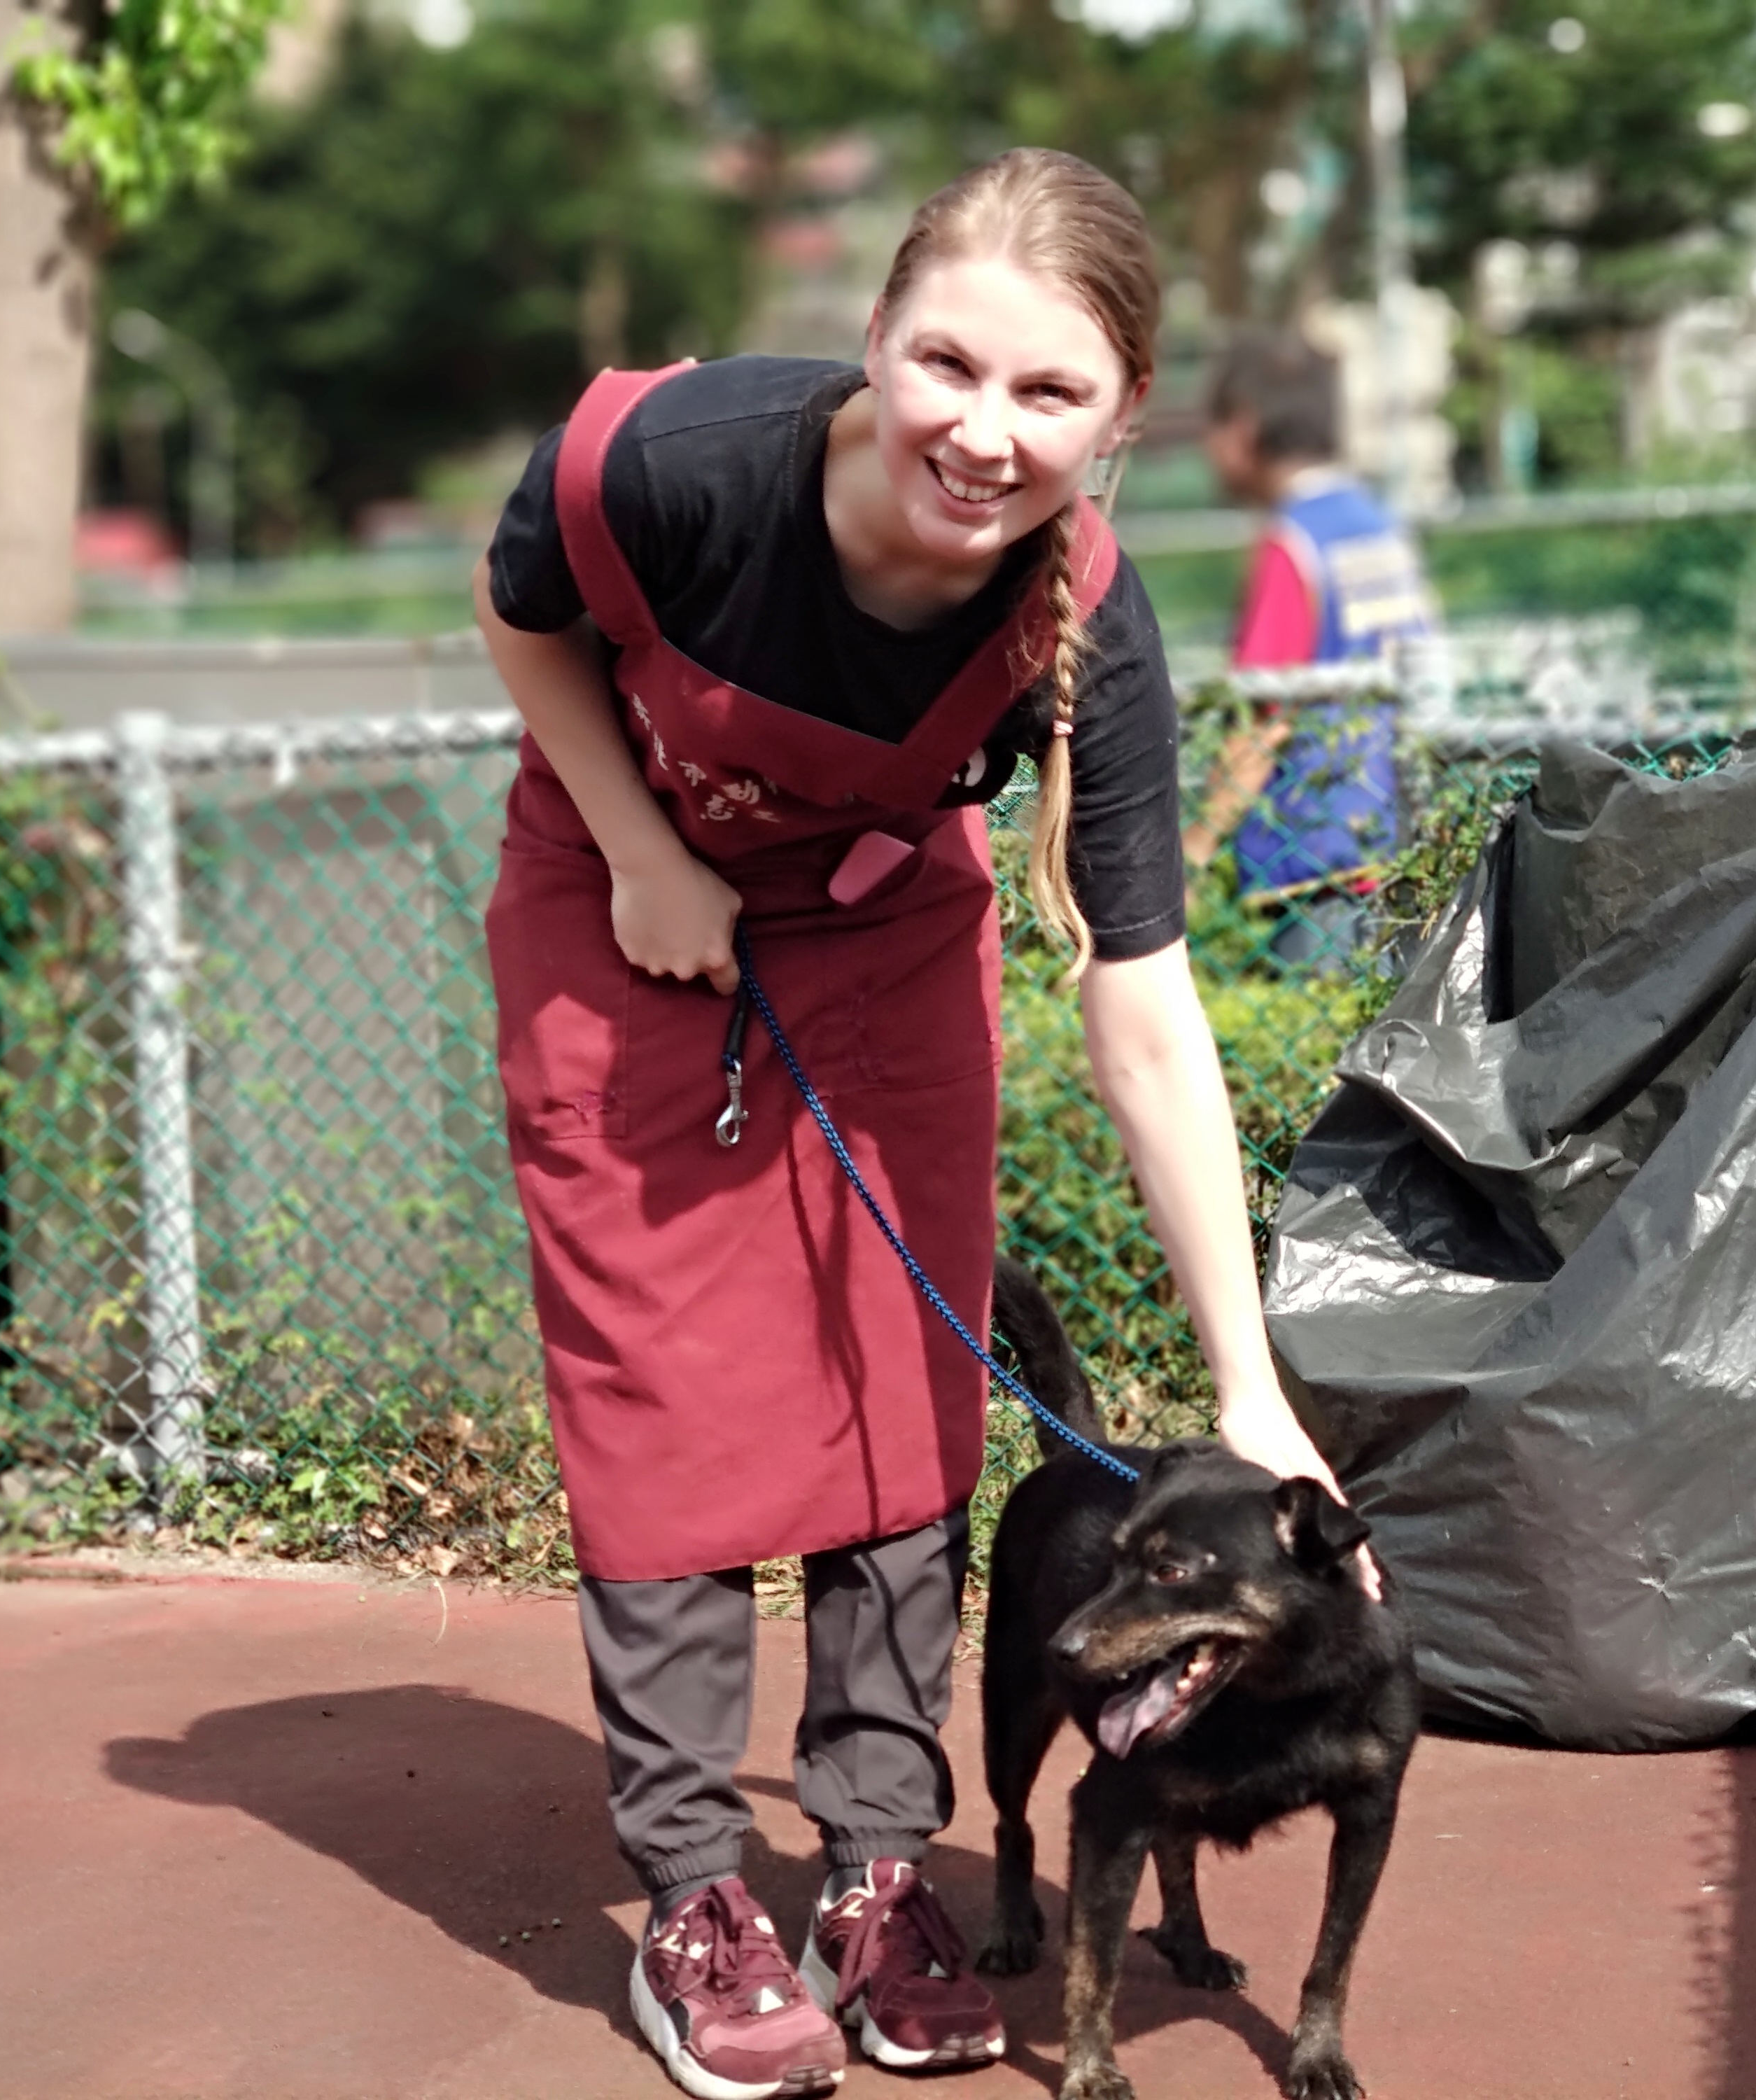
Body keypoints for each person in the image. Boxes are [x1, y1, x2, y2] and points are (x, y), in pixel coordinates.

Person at [474, 148, 1373, 2100]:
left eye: (1051, 395)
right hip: (628, 915)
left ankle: (880, 1866)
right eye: (944, 365)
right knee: (669, 1404)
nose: (982, 432)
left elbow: (1142, 1004)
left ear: (1126, 417)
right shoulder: (679, 463)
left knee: (900, 1399)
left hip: (882, 940)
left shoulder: (1087, 623)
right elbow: (522, 612)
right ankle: (701, 1897)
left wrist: (1249, 1386)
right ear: (872, 338)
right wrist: (641, 851)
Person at [1182, 330, 1437, 969]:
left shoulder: (1291, 544)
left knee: (1322, 1056)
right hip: (1395, 836)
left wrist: (1192, 852)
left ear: (1242, 428)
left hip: (1316, 859)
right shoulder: (1378, 526)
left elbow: (1262, 718)